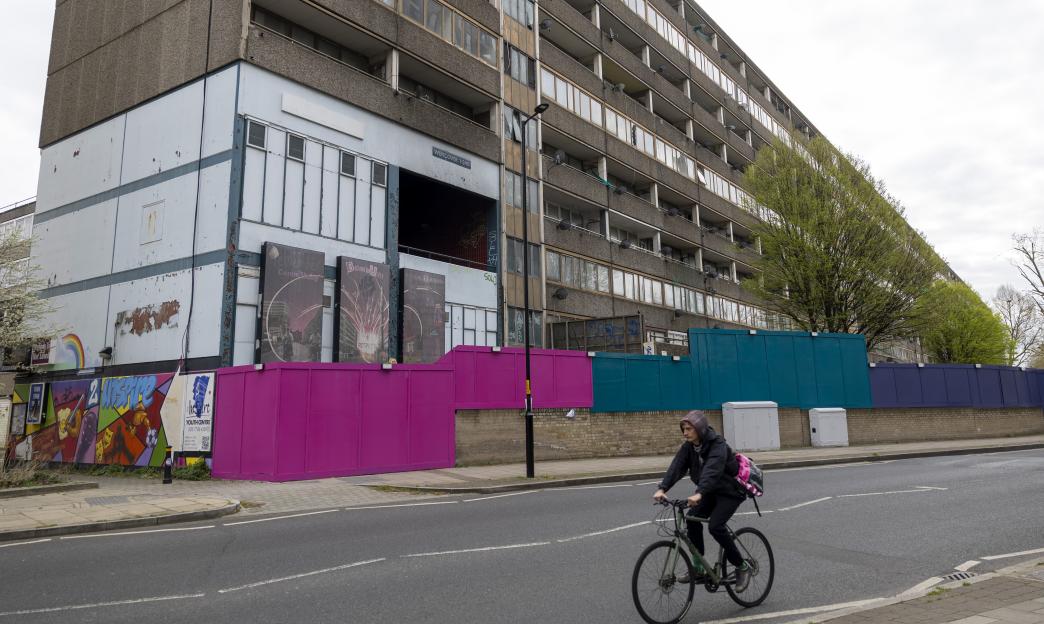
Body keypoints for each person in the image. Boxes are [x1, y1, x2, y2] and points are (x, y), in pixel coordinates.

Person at [653, 410, 751, 591]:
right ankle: (698, 569)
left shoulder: (717, 444)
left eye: (689, 429)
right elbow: (677, 467)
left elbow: (712, 470)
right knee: (692, 519)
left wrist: (699, 492)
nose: (685, 433)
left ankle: (742, 566)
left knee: (715, 526)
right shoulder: (689, 447)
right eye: (683, 429)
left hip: (729, 492)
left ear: (699, 428)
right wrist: (662, 488)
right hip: (709, 491)